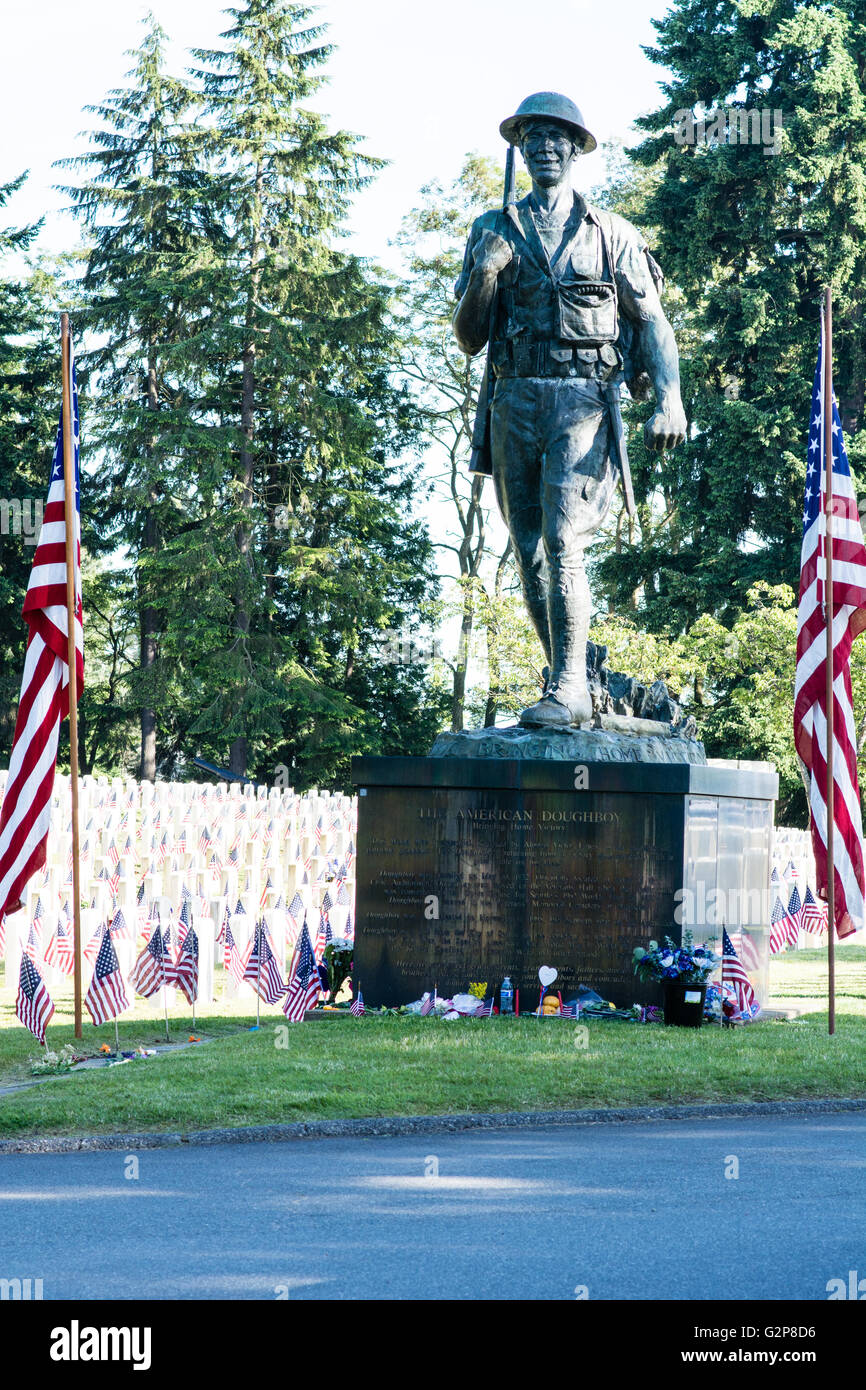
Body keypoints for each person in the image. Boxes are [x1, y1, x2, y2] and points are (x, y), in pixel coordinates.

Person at [453, 92, 687, 727]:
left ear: (577, 148)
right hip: (512, 399)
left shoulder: (611, 233)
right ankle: (571, 677)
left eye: (559, 137)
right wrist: (484, 277)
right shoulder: (490, 229)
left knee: (563, 539)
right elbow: (470, 337)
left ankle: (569, 689)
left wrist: (669, 395)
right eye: (534, 136)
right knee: (528, 547)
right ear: (521, 148)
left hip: (582, 401)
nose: (546, 147)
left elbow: (652, 322)